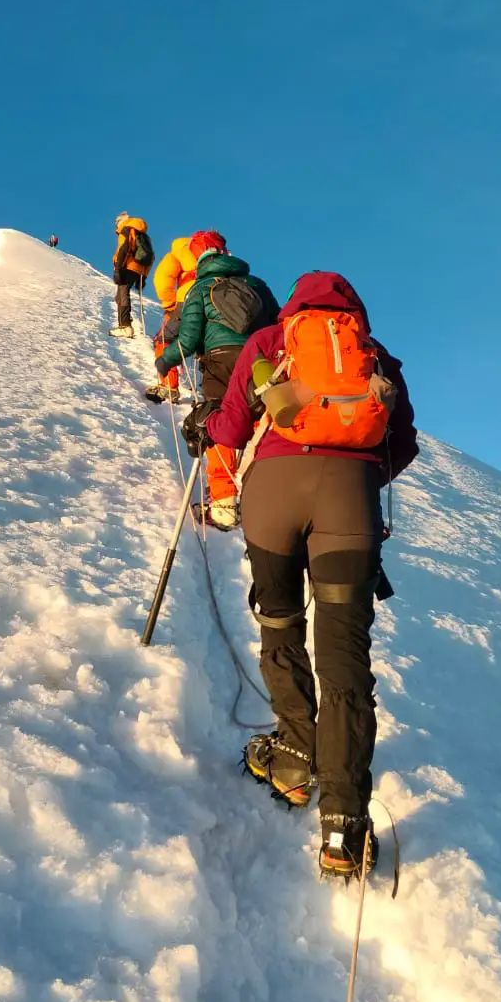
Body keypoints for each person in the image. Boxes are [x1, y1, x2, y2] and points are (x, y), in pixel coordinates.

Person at [189, 271, 418, 879]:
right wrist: (360, 478)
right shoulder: (377, 357)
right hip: (350, 504)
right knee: (344, 657)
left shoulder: (269, 343)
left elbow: (232, 429)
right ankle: (344, 827)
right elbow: (404, 444)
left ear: (295, 304)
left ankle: (294, 758)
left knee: (281, 624)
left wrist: (206, 428)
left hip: (273, 498)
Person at [155, 230, 278, 529]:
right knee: (260, 423)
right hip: (259, 361)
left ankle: (223, 501)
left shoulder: (200, 288)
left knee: (219, 422)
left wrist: (164, 361)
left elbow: (187, 339)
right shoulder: (257, 284)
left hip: (219, 361)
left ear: (197, 257)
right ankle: (263, 494)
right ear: (224, 252)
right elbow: (278, 326)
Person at [144, 235, 198, 403]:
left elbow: (162, 278)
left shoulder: (178, 252)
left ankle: (169, 385)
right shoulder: (211, 256)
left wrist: (169, 304)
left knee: (163, 339)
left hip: (187, 300)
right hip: (215, 301)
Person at [109, 214, 154, 337]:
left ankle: (125, 326)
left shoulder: (126, 229)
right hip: (138, 271)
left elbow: (123, 249)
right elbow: (151, 257)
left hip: (127, 266)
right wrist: (143, 277)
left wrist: (118, 269)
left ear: (120, 221)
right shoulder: (143, 234)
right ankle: (125, 322)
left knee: (123, 293)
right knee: (121, 295)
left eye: (116, 223)